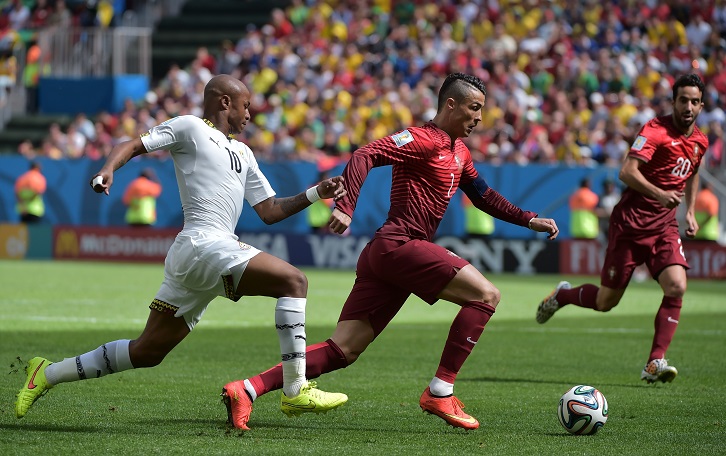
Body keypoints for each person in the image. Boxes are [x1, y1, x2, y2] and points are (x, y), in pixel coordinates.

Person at [222, 73, 560, 431]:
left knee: (343, 350)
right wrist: (346, 205)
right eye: (474, 108)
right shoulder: (422, 139)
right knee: (486, 295)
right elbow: (366, 153)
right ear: (451, 104)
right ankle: (441, 391)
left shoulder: (459, 151)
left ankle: (247, 389)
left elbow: (483, 195)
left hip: (387, 256)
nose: (479, 117)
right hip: (400, 246)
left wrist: (529, 219)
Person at [15, 74, 349, 429]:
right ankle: (295, 387)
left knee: (147, 351)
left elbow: (269, 210)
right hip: (204, 242)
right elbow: (132, 144)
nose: (250, 114)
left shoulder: (244, 152)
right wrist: (107, 170)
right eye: (246, 105)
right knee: (293, 281)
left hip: (199, 253)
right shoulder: (190, 127)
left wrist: (315, 193)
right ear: (224, 102)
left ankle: (46, 373)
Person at [536, 73, 708, 384]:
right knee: (606, 302)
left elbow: (693, 172)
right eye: (683, 100)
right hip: (629, 226)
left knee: (677, 286)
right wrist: (659, 194)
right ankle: (562, 296)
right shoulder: (655, 130)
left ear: (701, 105)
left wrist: (691, 211)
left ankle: (655, 362)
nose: (689, 107)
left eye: (695, 101)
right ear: (674, 102)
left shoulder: (700, 141)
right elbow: (626, 171)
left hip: (664, 228)